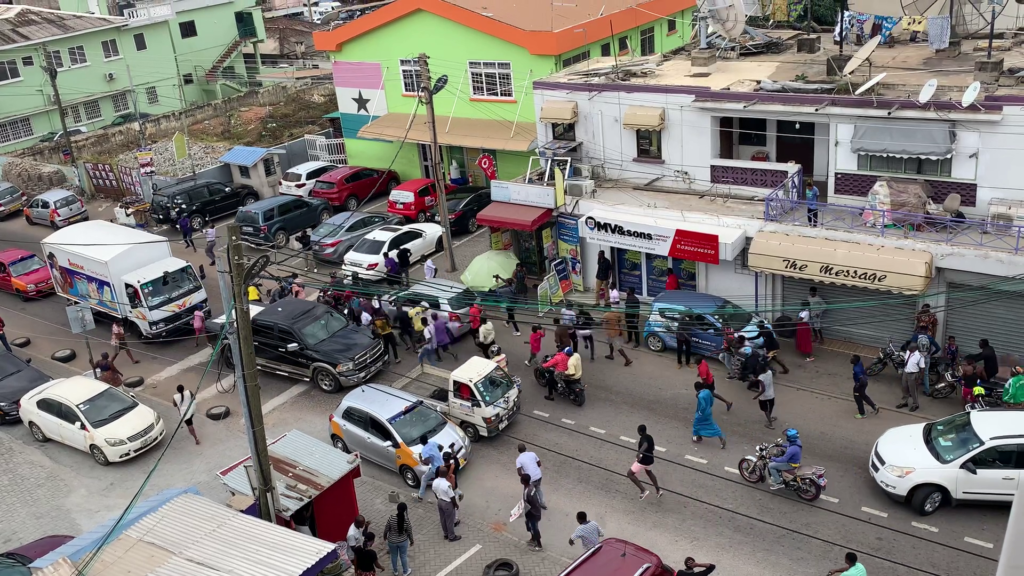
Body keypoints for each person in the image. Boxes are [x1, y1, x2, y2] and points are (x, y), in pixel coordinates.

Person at [627, 424, 663, 499]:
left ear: (640, 432)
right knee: (649, 472)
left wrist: (639, 453)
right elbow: (652, 448)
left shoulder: (643, 438)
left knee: (630, 474)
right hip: (650, 460)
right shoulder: (650, 437)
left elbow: (645, 444)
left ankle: (643, 490)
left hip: (643, 461)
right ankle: (658, 490)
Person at [692, 382, 726, 448]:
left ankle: (699, 437)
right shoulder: (707, 391)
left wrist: (700, 412)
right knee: (711, 424)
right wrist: (709, 406)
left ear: (696, 389)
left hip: (702, 413)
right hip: (708, 412)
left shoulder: (700, 396)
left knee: (696, 424)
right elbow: (712, 399)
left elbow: (703, 406)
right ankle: (721, 438)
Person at [909, 325, 940, 396]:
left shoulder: (916, 336)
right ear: (927, 331)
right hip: (926, 358)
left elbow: (911, 346)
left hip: (917, 358)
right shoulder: (930, 337)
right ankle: (927, 391)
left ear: (919, 329)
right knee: (926, 374)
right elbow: (938, 348)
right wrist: (930, 354)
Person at [383, 503, 413, 576]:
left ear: (397, 509)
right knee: (403, 556)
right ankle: (405, 572)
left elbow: (386, 528)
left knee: (393, 556)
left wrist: (385, 536)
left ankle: (395, 571)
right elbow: (409, 531)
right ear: (405, 510)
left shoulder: (391, 518)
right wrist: (411, 540)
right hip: (403, 541)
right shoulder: (406, 520)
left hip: (392, 541)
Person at [433, 466, 461, 542]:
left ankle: (445, 534)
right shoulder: (446, 484)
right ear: (446, 474)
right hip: (447, 503)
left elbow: (434, 491)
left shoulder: (435, 482)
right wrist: (455, 504)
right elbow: (452, 496)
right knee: (450, 521)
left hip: (439, 501)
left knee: (442, 519)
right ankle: (451, 536)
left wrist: (439, 497)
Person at [516, 444, 546, 508]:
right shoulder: (532, 454)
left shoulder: (518, 459)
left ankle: (527, 505)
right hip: (538, 475)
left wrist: (525, 476)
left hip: (530, 479)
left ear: (518, 450)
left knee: (527, 492)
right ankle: (542, 503)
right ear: (526, 448)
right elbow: (539, 464)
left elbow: (519, 473)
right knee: (538, 489)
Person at [898, 342, 925, 412]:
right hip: (905, 372)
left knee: (913, 390)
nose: (908, 349)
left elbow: (922, 369)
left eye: (910, 348)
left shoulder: (920, 357)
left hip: (913, 374)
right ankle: (904, 402)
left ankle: (915, 404)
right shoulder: (908, 352)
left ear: (914, 349)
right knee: (904, 388)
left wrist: (920, 379)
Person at [414, 435, 442, 501]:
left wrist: (420, 459)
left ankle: (420, 496)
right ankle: (457, 492)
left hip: (435, 469)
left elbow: (427, 463)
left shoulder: (424, 450)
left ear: (421, 442)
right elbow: (441, 447)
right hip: (442, 465)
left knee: (424, 478)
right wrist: (436, 454)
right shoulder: (432, 442)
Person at [521, 472, 543, 550]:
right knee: (528, 524)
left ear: (523, 481)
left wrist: (520, 511)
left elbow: (527, 505)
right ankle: (533, 539)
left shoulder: (527, 491)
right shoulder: (531, 487)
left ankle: (539, 545)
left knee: (534, 528)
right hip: (536, 510)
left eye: (521, 479)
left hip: (532, 513)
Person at [751, 363, 776, 429]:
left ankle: (770, 424)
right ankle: (770, 418)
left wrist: (756, 396)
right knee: (771, 406)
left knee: (765, 410)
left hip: (763, 397)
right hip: (771, 394)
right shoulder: (770, 372)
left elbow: (763, 389)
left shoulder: (761, 377)